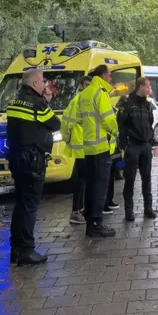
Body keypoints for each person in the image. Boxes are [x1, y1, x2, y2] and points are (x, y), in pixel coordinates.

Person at [6, 69, 60, 265]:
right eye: (42, 81)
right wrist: (46, 100)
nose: (44, 84)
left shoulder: (14, 101)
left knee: (20, 204)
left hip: (16, 158)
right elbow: (56, 124)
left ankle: (16, 249)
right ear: (36, 83)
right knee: (29, 206)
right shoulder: (37, 104)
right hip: (32, 161)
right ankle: (27, 250)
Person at [78, 65, 118, 238]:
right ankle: (96, 223)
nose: (110, 79)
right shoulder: (100, 93)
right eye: (109, 75)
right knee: (100, 187)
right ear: (102, 75)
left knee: (91, 186)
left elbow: (80, 119)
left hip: (87, 147)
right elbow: (108, 118)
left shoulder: (84, 93)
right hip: (101, 147)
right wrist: (116, 131)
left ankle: (90, 222)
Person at [118, 77, 158, 221]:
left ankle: (148, 208)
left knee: (147, 178)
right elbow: (120, 124)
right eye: (148, 87)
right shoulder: (127, 103)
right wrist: (124, 144)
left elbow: (150, 123)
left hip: (145, 146)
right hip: (132, 146)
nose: (149, 90)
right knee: (130, 179)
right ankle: (129, 211)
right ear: (140, 87)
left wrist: (150, 141)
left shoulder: (147, 105)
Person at [61, 75, 92, 224]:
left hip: (87, 146)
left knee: (84, 180)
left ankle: (81, 209)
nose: (88, 87)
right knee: (80, 180)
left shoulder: (88, 101)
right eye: (86, 84)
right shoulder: (77, 101)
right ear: (81, 86)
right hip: (80, 146)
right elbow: (66, 123)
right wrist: (67, 139)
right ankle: (76, 212)